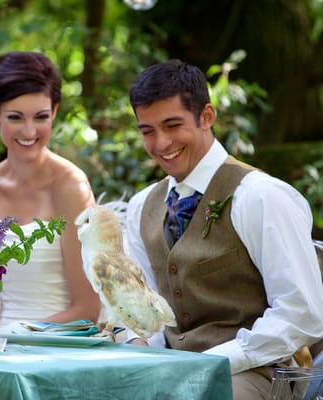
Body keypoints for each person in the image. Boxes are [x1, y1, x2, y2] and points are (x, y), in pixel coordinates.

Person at [124, 59, 323, 399]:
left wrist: (213, 362)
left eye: (173, 125)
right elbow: (141, 306)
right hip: (170, 366)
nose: (160, 143)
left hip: (261, 372)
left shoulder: (261, 197)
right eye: (148, 131)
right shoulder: (142, 206)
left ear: (206, 117)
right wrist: (141, 346)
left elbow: (301, 312)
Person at [0, 51, 101, 327]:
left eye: (41, 117)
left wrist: (18, 337)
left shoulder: (72, 186)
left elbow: (87, 308)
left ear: (55, 111)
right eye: (15, 117)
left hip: (61, 343)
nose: (29, 131)